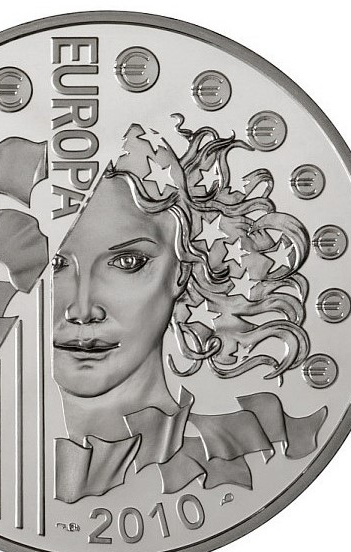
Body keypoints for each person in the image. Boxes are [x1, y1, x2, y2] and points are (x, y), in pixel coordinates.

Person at [52, 116, 327, 503]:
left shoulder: (234, 458)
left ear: (181, 273)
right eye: (56, 264)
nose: (82, 310)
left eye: (128, 262)